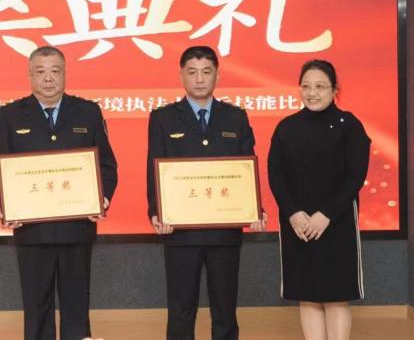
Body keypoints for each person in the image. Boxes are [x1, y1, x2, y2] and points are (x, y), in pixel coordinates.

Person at [0, 45, 118, 340]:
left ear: (65, 74)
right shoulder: (10, 115)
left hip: (76, 228)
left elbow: (107, 165)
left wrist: (102, 199)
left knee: (77, 308)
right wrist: (2, 207)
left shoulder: (88, 111)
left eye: (55, 71)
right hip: (32, 230)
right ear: (30, 76)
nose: (48, 78)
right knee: (36, 310)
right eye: (40, 72)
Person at [145, 45, 267, 340]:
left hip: (223, 230)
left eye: (206, 72)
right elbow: (154, 168)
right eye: (192, 72)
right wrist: (156, 212)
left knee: (225, 310)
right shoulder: (163, 118)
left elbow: (246, 165)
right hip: (180, 231)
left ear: (217, 76)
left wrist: (255, 208)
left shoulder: (235, 117)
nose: (199, 79)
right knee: (181, 310)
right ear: (181, 76)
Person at [268, 60, 371, 340]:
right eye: (306, 86)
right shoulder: (286, 127)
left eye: (320, 86)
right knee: (308, 296)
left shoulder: (349, 125)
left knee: (336, 297)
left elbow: (355, 176)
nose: (312, 93)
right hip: (299, 225)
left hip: (336, 222)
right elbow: (276, 175)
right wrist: (292, 213)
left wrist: (326, 214)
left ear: (335, 90)